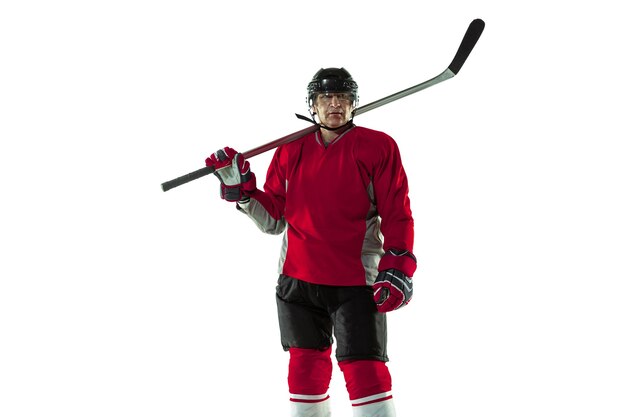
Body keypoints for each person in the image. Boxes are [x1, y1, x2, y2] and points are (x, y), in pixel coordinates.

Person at [205, 67, 416, 417]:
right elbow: (273, 219)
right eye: (326, 98)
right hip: (298, 282)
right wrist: (243, 194)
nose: (335, 104)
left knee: (367, 373)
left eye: (343, 98)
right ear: (312, 106)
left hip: (355, 283)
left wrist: (398, 265)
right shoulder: (290, 149)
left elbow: (398, 213)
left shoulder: (378, 147)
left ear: (354, 104)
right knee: (304, 375)